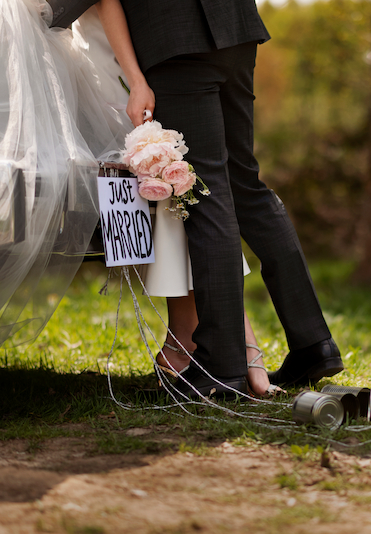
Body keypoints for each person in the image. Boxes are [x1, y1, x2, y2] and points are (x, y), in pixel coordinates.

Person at [91, 0, 344, 398]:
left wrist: (136, 80)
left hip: (174, 40)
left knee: (204, 194)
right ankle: (314, 343)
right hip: (234, 30)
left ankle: (221, 366)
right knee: (246, 185)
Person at [71, 7, 279, 397]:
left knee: (189, 185)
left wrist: (135, 79)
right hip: (113, 53)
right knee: (179, 186)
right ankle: (218, 344)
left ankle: (217, 344)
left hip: (147, 49)